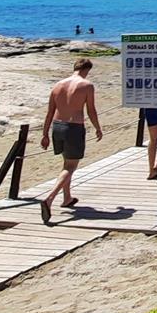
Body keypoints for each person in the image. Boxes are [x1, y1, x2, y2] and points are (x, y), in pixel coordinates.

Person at [40, 59, 102, 222]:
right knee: (70, 166)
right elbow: (91, 110)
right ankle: (49, 199)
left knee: (66, 163)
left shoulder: (58, 85)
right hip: (74, 127)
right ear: (87, 69)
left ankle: (67, 198)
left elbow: (50, 112)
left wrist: (45, 134)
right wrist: (97, 127)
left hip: (57, 126)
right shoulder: (87, 85)